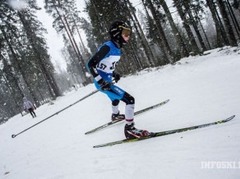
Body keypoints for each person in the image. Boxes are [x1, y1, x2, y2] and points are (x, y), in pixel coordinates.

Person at [87, 21, 151, 139]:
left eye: (129, 33)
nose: (128, 36)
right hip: (102, 83)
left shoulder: (117, 49)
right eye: (126, 33)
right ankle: (129, 129)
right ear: (117, 33)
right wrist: (101, 81)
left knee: (114, 98)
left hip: (108, 80)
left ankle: (115, 115)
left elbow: (106, 64)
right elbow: (90, 64)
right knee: (130, 100)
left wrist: (114, 74)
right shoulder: (108, 47)